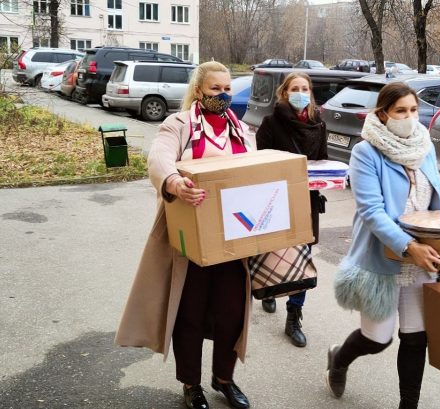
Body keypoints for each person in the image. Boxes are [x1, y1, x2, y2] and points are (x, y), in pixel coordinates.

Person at [325, 82, 440, 409]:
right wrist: (407, 246)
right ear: (383, 113)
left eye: (413, 110)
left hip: (423, 259)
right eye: (401, 110)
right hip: (383, 258)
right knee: (376, 339)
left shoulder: (424, 146)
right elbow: (371, 211)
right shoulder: (365, 151)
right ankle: (339, 359)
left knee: (416, 338)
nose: (409, 116)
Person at [115, 61, 255, 409]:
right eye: (214, 89)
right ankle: (191, 384)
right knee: (190, 313)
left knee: (232, 312)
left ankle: (223, 377)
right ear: (198, 91)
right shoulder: (177, 124)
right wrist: (174, 182)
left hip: (234, 237)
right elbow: (158, 158)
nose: (222, 96)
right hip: (190, 240)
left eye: (226, 90)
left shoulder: (240, 129)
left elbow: (255, 169)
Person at [255, 72, 328, 347]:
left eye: (305, 88)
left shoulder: (318, 124)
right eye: (295, 88)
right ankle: (271, 291)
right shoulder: (270, 123)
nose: (300, 93)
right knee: (273, 251)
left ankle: (293, 315)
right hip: (275, 199)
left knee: (303, 260)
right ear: (284, 93)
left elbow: (323, 162)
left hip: (307, 200)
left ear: (310, 93)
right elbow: (260, 165)